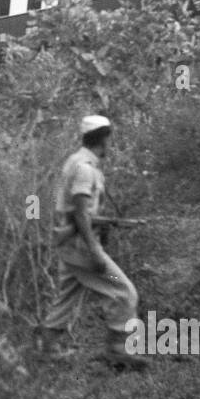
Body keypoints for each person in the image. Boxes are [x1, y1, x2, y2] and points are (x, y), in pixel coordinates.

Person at [38, 115, 148, 370]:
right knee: (124, 292)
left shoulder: (76, 161)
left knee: (65, 298)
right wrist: (96, 252)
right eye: (110, 139)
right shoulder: (86, 169)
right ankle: (119, 351)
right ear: (104, 138)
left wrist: (109, 221)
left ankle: (47, 350)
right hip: (81, 245)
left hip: (71, 244)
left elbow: (79, 212)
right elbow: (79, 213)